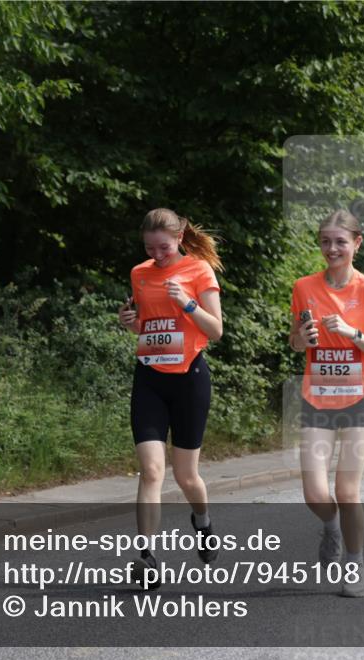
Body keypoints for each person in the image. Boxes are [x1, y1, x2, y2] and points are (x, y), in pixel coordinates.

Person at [289, 210, 364, 598]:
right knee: (315, 494)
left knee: (347, 492)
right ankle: (331, 528)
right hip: (317, 397)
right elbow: (294, 341)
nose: (332, 249)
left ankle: (355, 563)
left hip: (359, 398)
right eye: (325, 242)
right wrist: (302, 338)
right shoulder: (303, 287)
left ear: (357, 244)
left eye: (340, 242)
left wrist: (352, 333)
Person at [118, 208, 223, 589]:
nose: (157, 255)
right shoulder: (140, 273)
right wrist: (130, 323)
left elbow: (216, 330)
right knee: (151, 471)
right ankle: (146, 557)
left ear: (179, 238)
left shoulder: (198, 270)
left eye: (163, 247)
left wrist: (188, 304)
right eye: (150, 248)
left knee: (186, 476)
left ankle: (203, 522)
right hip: (149, 378)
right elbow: (147, 326)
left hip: (189, 380)